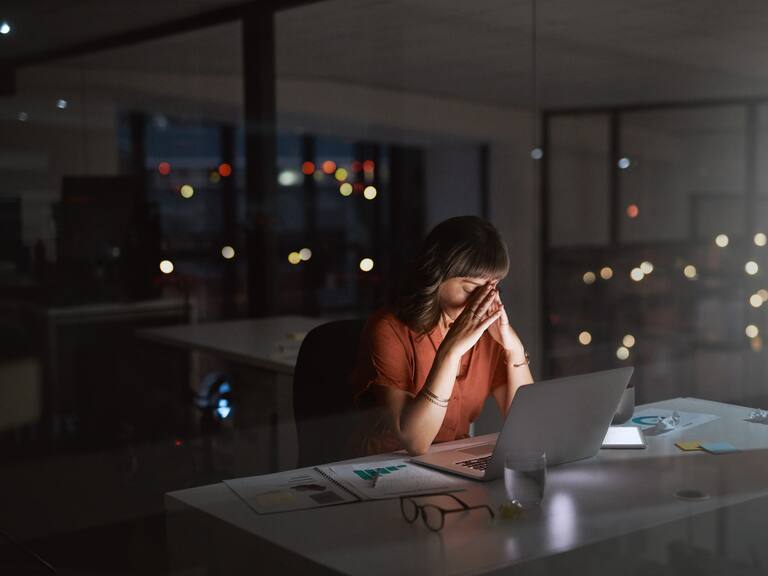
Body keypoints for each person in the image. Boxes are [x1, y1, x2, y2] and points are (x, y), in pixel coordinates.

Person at [349, 216, 534, 456]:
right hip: (382, 468)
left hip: (449, 461)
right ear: (436, 275)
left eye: (492, 288)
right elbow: (415, 442)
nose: (482, 300)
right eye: (470, 289)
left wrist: (514, 348)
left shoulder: (489, 335)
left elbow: (527, 424)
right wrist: (451, 351)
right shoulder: (388, 330)